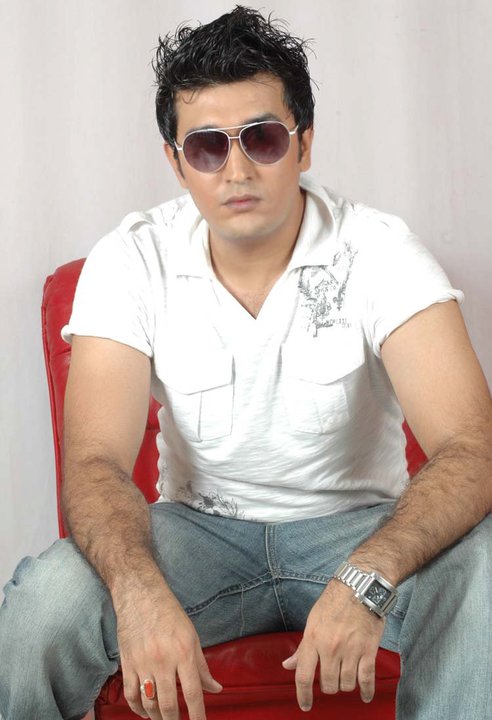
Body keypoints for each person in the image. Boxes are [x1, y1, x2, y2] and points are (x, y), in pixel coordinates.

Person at [0, 5, 491, 720]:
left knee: (488, 569)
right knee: (43, 602)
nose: (236, 170)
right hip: (197, 535)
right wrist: (139, 594)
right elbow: (95, 462)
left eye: (262, 139)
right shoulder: (132, 259)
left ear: (304, 143)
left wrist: (370, 575)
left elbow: (472, 448)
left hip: (356, 528)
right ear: (175, 162)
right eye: (206, 147)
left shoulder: (381, 252)